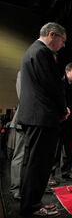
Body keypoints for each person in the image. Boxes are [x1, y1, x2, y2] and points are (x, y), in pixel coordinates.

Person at [17, 22, 69, 217]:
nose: (62, 45)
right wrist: (63, 109)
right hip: (43, 116)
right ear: (53, 35)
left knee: (30, 162)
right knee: (39, 163)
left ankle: (28, 202)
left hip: (33, 115)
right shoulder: (43, 53)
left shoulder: (31, 50)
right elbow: (53, 85)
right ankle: (32, 206)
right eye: (62, 41)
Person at [50, 62, 72, 183]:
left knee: (69, 150)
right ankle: (51, 175)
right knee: (56, 150)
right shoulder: (59, 84)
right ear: (67, 71)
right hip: (60, 122)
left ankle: (66, 172)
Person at [9, 71, 24, 200]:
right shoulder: (23, 71)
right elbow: (23, 96)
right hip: (25, 119)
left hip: (38, 120)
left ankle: (25, 186)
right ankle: (16, 188)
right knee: (20, 155)